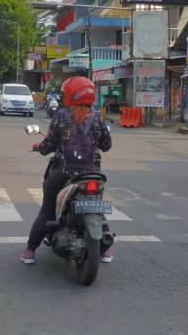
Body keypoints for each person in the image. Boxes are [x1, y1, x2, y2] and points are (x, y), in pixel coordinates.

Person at [21, 76, 114, 265]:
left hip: (65, 171)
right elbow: (106, 145)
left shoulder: (62, 116)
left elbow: (49, 145)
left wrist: (40, 147)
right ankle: (107, 250)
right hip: (92, 173)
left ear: (71, 95)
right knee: (95, 206)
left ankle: (30, 250)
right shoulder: (97, 118)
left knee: (47, 210)